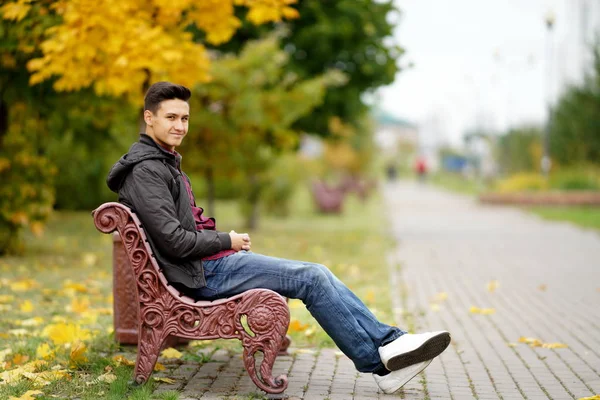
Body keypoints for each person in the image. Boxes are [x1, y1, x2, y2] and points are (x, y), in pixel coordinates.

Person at [106, 81, 451, 394]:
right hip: (202, 274)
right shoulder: (148, 170)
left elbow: (181, 232)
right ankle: (380, 360)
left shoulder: (161, 162)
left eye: (184, 118)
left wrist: (224, 245)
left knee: (316, 273)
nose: (180, 125)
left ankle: (390, 345)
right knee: (312, 277)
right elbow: (175, 242)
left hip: (209, 265)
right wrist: (227, 241)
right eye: (171, 117)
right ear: (149, 118)